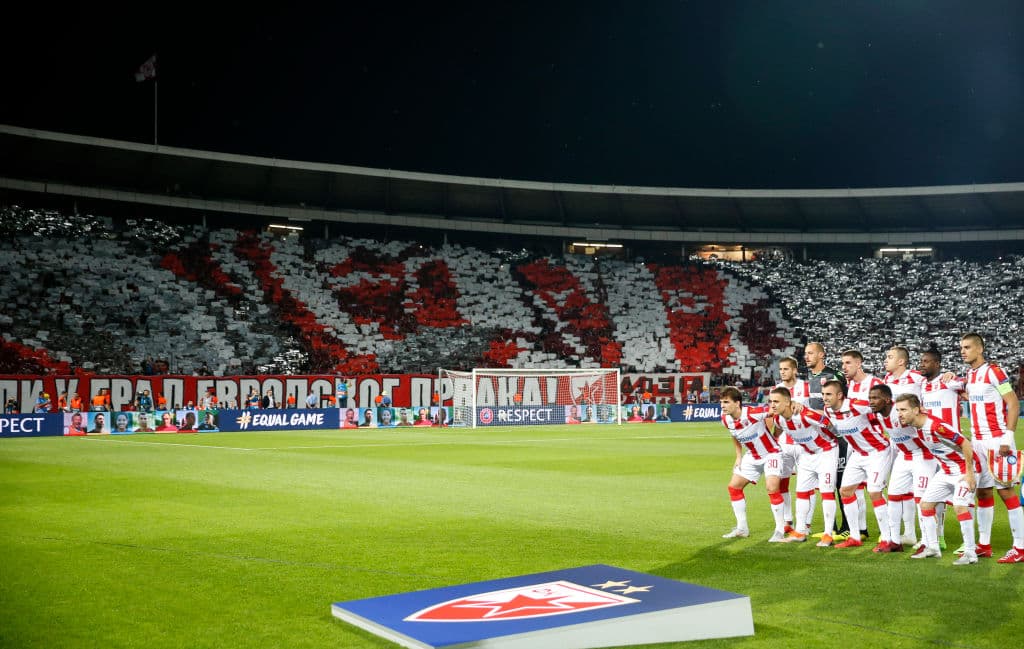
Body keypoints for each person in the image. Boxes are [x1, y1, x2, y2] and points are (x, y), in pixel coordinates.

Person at [894, 393, 985, 565]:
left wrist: (970, 473)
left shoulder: (935, 426)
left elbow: (965, 443)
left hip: (963, 470)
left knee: (960, 506)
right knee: (926, 505)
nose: (900, 414)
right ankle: (933, 548)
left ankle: (971, 553)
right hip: (946, 471)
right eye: (898, 410)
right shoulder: (917, 427)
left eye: (903, 409)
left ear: (916, 409)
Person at [957, 332, 1024, 563]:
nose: (962, 351)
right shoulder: (971, 374)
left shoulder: (994, 371)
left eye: (967, 347)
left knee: (1006, 492)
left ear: (980, 349)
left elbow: (1013, 404)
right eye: (961, 347)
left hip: (997, 440)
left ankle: (1020, 547)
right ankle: (984, 544)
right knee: (983, 491)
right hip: (977, 442)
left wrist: (1007, 437)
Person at [818, 380, 895, 551]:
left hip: (878, 451)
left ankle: (887, 539)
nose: (825, 398)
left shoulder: (857, 405)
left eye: (828, 394)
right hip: (858, 454)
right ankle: (854, 536)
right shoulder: (827, 410)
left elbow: (883, 407)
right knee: (845, 491)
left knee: (874, 492)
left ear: (839, 395)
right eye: (823, 394)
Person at [867, 383, 936, 550]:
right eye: (870, 398)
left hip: (923, 455)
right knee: (893, 495)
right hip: (904, 456)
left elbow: (926, 420)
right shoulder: (879, 414)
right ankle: (895, 542)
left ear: (887, 400)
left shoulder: (900, 414)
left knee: (922, 500)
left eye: (876, 398)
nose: (871, 402)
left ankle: (927, 542)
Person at [769, 386, 839, 544]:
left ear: (787, 402)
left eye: (776, 401)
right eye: (770, 401)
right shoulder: (778, 419)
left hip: (826, 451)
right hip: (806, 454)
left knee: (826, 492)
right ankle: (800, 531)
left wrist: (842, 440)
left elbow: (828, 423)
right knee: (801, 492)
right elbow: (778, 431)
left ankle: (828, 534)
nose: (772, 405)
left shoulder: (804, 414)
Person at [719, 386, 789, 542]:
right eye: (721, 402)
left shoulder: (752, 413)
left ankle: (779, 530)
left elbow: (774, 411)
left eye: (726, 402)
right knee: (734, 487)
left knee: (772, 488)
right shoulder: (726, 419)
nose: (722, 406)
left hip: (771, 453)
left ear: (737, 403)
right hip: (752, 456)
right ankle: (742, 528)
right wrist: (738, 456)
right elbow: (735, 436)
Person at [803, 342, 850, 539]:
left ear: (821, 355)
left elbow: (845, 400)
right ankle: (831, 527)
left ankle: (848, 527)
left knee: (841, 483)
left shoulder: (833, 376)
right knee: (825, 484)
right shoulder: (807, 379)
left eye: (810, 353)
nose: (806, 356)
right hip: (818, 440)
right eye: (805, 353)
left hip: (837, 436)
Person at [776, 355, 811, 534]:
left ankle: (806, 523)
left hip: (805, 444)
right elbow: (773, 417)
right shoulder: (777, 390)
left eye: (786, 369)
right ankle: (787, 520)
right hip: (785, 443)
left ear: (795, 370)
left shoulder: (806, 387)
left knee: (806, 485)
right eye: (781, 369)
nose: (782, 372)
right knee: (782, 483)